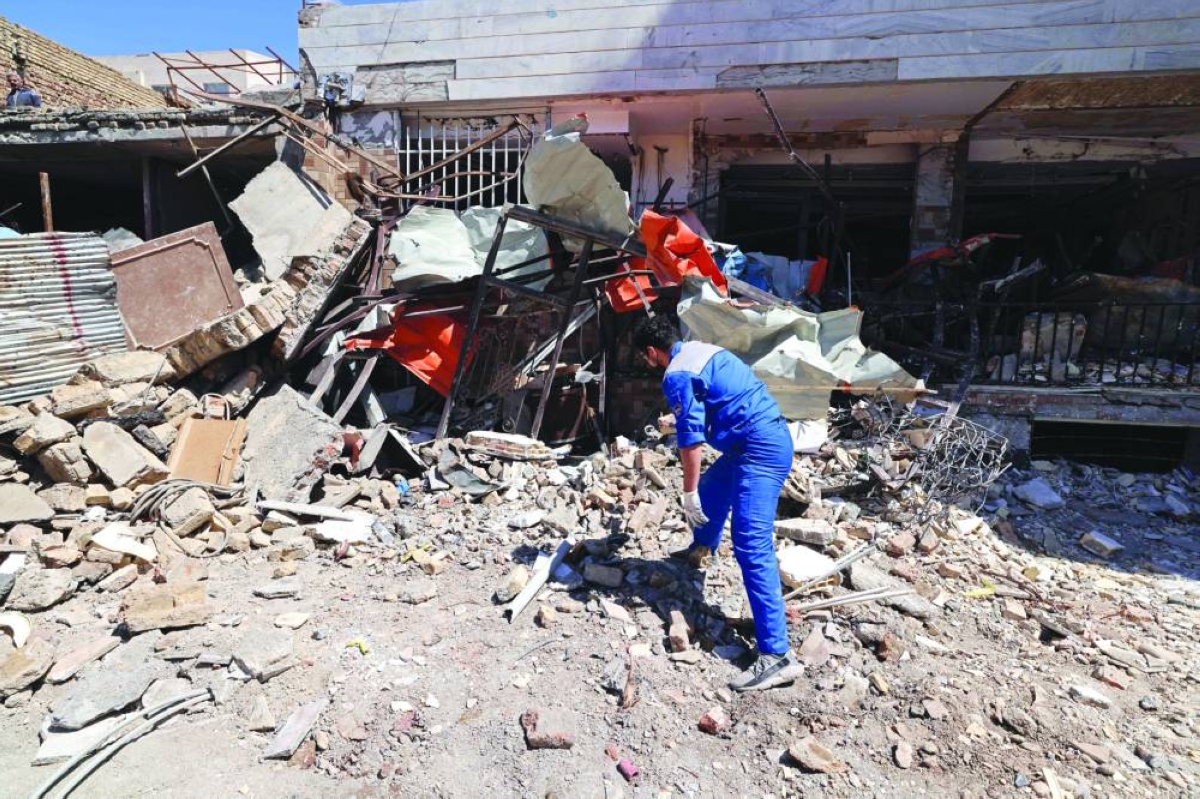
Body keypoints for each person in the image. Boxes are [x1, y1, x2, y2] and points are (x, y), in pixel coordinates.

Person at [633, 314, 801, 692]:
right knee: (713, 489)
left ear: (650, 352)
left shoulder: (676, 374)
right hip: (758, 439)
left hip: (758, 450)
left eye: (644, 358)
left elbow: (690, 442)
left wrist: (687, 492)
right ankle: (700, 550)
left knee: (751, 545)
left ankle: (777, 656)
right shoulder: (698, 350)